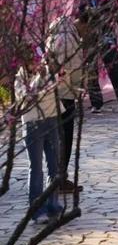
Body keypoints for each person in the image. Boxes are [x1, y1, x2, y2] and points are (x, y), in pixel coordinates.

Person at [15, 51, 64, 225]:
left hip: (51, 120)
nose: (35, 64)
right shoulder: (20, 80)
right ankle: (37, 210)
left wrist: (50, 72)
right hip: (32, 125)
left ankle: (53, 204)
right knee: (36, 168)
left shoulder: (48, 74)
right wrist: (38, 79)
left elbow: (55, 88)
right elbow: (29, 97)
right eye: (31, 62)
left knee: (54, 165)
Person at [46, 12, 85, 193]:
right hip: (65, 94)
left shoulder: (55, 35)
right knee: (65, 138)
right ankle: (59, 178)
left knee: (58, 138)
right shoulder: (68, 39)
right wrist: (76, 88)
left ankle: (58, 176)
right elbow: (68, 68)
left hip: (55, 93)